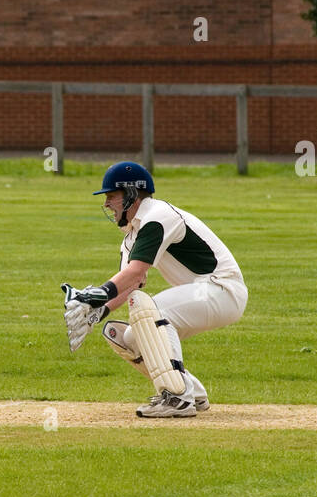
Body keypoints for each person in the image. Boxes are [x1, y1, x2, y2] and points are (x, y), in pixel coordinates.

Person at [62, 161, 247, 418]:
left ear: (131, 194)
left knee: (147, 308)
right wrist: (98, 312)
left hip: (222, 289)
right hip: (202, 294)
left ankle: (177, 397)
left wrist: (98, 294)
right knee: (127, 337)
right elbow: (131, 283)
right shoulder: (132, 235)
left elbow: (136, 272)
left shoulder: (158, 216)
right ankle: (192, 392)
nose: (107, 203)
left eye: (112, 196)